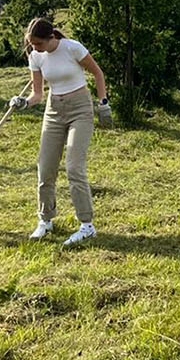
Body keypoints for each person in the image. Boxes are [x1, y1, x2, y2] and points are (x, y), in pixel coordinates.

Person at [10, 18, 110, 247]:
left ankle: (87, 225)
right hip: (53, 110)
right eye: (31, 44)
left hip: (80, 109)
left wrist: (103, 103)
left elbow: (98, 73)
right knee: (45, 169)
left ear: (50, 38)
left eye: (38, 44)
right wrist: (24, 103)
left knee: (74, 168)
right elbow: (37, 94)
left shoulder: (72, 48)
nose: (34, 48)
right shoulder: (35, 56)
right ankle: (45, 220)